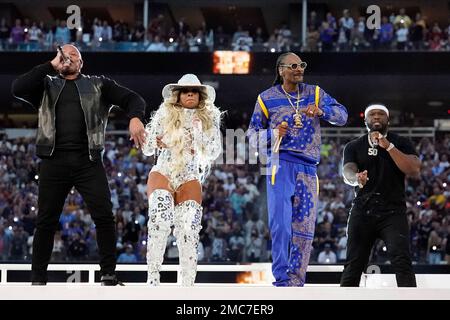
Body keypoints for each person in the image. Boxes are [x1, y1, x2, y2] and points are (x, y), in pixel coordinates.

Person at [11, 44, 146, 285]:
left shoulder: (98, 84)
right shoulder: (45, 85)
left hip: (88, 161)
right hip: (53, 161)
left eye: (74, 55)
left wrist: (135, 117)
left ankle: (108, 274)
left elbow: (132, 98)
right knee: (46, 220)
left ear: (81, 63)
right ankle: (38, 278)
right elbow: (17, 88)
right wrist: (50, 66)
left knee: (104, 216)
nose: (67, 58)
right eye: (63, 54)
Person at [248, 52, 348, 286]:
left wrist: (322, 111)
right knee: (281, 224)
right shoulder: (266, 98)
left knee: (304, 227)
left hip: (308, 167)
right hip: (279, 164)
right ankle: (282, 279)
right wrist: (273, 134)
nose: (299, 69)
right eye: (293, 66)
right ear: (281, 70)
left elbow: (343, 116)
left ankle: (296, 281)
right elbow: (251, 136)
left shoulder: (315, 93)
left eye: (301, 65)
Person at [142, 74, 222, 286]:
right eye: (185, 90)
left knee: (188, 229)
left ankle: (187, 286)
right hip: (164, 171)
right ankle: (152, 280)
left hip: (189, 174)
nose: (189, 94)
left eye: (194, 91)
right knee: (160, 220)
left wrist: (199, 135)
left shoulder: (208, 119)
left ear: (200, 95)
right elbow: (147, 146)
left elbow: (214, 151)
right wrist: (153, 140)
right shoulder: (164, 113)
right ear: (177, 94)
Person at [340, 104, 420, 287]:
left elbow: (414, 169)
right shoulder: (353, 146)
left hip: (393, 211)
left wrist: (389, 147)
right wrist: (356, 178)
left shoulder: (401, 142)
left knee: (402, 262)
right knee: (353, 264)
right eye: (372, 114)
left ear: (388, 120)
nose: (376, 117)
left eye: (381, 114)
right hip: (362, 209)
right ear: (366, 120)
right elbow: (348, 171)